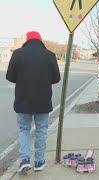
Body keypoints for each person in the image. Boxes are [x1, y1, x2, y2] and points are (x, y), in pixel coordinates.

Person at [6, 31, 61, 172]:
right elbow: (56, 78)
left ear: (27, 40)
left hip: (23, 100)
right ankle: (39, 162)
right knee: (41, 130)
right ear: (40, 40)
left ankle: (24, 159)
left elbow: (10, 77)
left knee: (24, 129)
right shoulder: (49, 55)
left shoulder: (18, 54)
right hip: (43, 101)